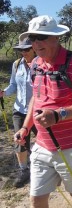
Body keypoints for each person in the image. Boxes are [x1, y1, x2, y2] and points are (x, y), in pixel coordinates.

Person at [14, 15, 72, 208]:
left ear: (56, 38)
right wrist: (26, 128)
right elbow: (35, 99)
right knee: (36, 199)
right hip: (42, 146)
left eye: (41, 37)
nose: (36, 43)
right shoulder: (35, 64)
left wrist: (58, 115)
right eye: (33, 38)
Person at [0, 38, 37, 188]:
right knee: (19, 140)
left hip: (38, 110)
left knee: (46, 139)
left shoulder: (42, 64)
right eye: (21, 49)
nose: (24, 52)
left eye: (26, 49)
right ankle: (24, 170)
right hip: (20, 109)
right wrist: (3, 92)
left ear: (34, 48)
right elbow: (13, 85)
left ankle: (50, 166)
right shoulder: (17, 64)